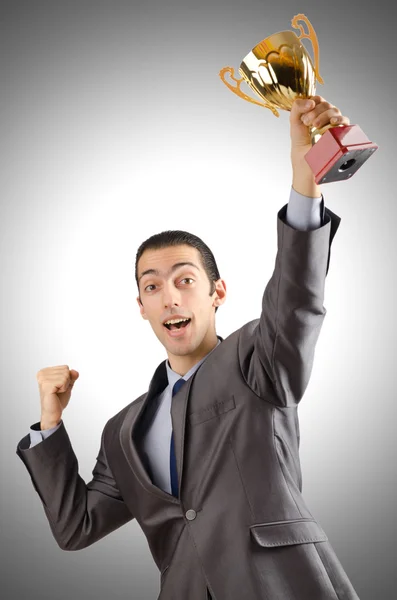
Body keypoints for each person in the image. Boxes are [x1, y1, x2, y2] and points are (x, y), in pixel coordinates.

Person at [16, 96, 361, 600]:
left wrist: (305, 176)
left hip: (282, 587)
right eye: (152, 286)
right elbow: (76, 527)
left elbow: (295, 303)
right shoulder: (122, 431)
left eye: (185, 279)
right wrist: (50, 423)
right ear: (141, 306)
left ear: (217, 292)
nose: (170, 295)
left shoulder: (256, 360)